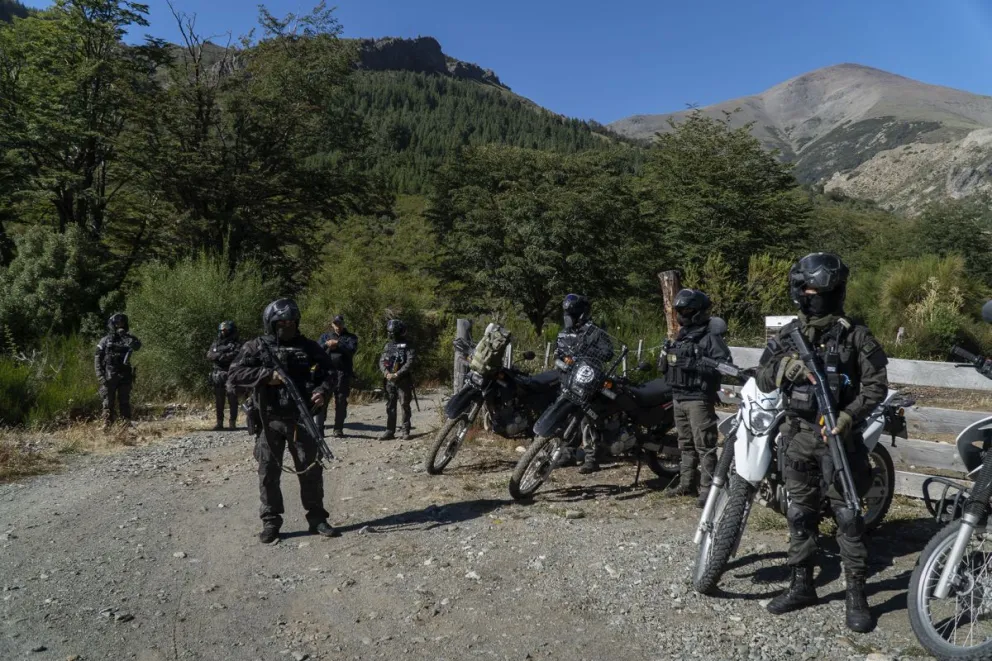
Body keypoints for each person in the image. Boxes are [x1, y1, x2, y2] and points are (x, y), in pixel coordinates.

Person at [756, 252, 888, 633]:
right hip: (797, 437)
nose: (812, 295)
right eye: (808, 289)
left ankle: (856, 594)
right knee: (799, 514)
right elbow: (762, 378)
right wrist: (782, 369)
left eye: (819, 289)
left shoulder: (855, 334)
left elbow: (877, 386)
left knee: (848, 517)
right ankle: (802, 585)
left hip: (839, 440)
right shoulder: (786, 336)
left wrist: (848, 417)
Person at [227, 298, 339, 544]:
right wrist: (267, 375)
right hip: (268, 420)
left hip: (301, 419)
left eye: (291, 322)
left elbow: (330, 372)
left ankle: (317, 518)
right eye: (281, 322)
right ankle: (271, 521)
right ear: (270, 323)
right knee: (268, 472)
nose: (287, 326)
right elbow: (234, 375)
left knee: (310, 470)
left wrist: (322, 390)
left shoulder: (308, 346)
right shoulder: (256, 346)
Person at [659, 289, 731, 506]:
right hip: (679, 396)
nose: (683, 314)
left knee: (704, 445)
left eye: (687, 310)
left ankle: (707, 490)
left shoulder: (710, 337)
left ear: (698, 311)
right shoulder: (680, 337)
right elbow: (665, 367)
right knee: (685, 444)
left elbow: (725, 366)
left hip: (698, 398)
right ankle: (686, 483)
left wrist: (695, 365)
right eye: (680, 310)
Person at [554, 294, 614, 474]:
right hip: (567, 382)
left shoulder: (594, 331)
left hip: (587, 383)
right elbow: (558, 355)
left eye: (571, 313)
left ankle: (592, 459)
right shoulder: (563, 333)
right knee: (566, 420)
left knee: (587, 422)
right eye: (566, 313)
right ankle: (567, 454)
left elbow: (608, 353)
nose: (567, 317)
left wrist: (587, 350)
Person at [95, 313, 142, 431]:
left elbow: (137, 346)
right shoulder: (105, 340)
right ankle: (107, 425)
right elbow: (97, 359)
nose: (120, 325)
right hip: (109, 375)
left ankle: (125, 425)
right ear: (112, 324)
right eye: (117, 323)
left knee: (124, 401)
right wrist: (100, 376)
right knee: (108, 402)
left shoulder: (129, 338)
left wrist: (125, 336)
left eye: (122, 323)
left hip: (125, 375)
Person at [316, 315, 358, 438]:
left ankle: (338, 429)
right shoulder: (325, 337)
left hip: (343, 373)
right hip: (327, 373)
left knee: (340, 401)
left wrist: (338, 343)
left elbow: (351, 349)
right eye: (335, 324)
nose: (338, 326)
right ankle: (319, 428)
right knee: (322, 399)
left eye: (340, 324)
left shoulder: (350, 337)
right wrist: (327, 345)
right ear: (332, 325)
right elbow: (317, 350)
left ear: (343, 324)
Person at [378, 319, 415, 441]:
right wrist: (386, 373)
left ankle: (405, 431)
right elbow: (382, 361)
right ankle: (390, 431)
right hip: (389, 380)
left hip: (403, 380)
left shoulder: (408, 345)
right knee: (390, 406)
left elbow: (410, 362)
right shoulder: (388, 346)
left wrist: (397, 374)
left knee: (404, 405)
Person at [206, 320, 243, 431]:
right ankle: (219, 423)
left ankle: (232, 422)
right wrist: (221, 355)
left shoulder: (237, 343)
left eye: (226, 330)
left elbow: (236, 355)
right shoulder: (216, 343)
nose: (223, 332)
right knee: (219, 399)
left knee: (232, 397)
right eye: (222, 330)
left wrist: (221, 356)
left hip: (231, 373)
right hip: (218, 374)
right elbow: (209, 354)